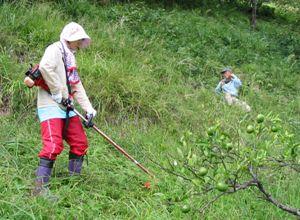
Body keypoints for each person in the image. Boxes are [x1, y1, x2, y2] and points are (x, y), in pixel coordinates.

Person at [32, 22, 97, 197]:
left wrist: (88, 109)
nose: (81, 44)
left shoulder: (70, 56)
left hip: (67, 108)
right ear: (71, 38)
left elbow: (75, 84)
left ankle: (73, 184)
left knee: (80, 143)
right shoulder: (55, 49)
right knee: (53, 145)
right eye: (79, 40)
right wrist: (57, 93)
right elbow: (45, 67)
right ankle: (39, 190)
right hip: (50, 106)